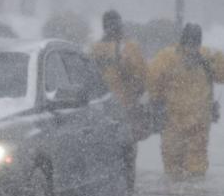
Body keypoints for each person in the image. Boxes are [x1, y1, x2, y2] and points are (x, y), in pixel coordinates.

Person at [147, 23, 224, 182]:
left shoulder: (167, 57)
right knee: (190, 164)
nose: (191, 48)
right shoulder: (207, 56)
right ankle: (191, 194)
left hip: (178, 122)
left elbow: (152, 80)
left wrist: (156, 100)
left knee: (176, 165)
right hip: (191, 122)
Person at [90, 11, 147, 114]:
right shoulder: (130, 47)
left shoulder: (95, 49)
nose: (113, 29)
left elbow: (89, 75)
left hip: (102, 106)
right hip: (125, 106)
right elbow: (142, 77)